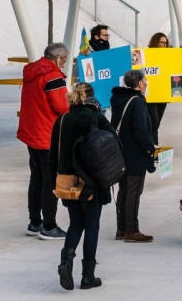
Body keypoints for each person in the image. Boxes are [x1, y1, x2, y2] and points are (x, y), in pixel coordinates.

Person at [50, 83, 116, 290]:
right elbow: (115, 144)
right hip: (94, 182)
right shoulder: (97, 118)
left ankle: (66, 262)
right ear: (92, 99)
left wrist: (53, 183)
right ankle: (88, 276)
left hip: (68, 182)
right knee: (92, 226)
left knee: (75, 224)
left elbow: (52, 157)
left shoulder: (61, 121)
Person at [18, 42, 70, 240]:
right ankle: (49, 225)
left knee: (36, 178)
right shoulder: (53, 76)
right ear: (57, 58)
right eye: (64, 61)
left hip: (31, 133)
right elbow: (61, 106)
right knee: (50, 181)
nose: (63, 65)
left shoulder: (32, 71)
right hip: (47, 134)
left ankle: (35, 222)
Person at [110, 70, 155, 242]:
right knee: (133, 193)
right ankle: (132, 230)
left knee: (124, 190)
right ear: (140, 83)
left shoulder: (119, 99)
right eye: (145, 81)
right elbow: (140, 130)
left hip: (120, 151)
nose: (147, 83)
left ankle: (121, 229)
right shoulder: (137, 101)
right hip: (135, 153)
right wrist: (150, 148)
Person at [145, 32, 170, 143]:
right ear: (156, 42)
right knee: (153, 123)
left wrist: (181, 60)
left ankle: (152, 145)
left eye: (165, 43)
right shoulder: (147, 55)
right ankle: (153, 147)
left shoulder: (169, 56)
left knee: (157, 123)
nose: (164, 45)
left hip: (163, 94)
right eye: (162, 42)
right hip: (151, 95)